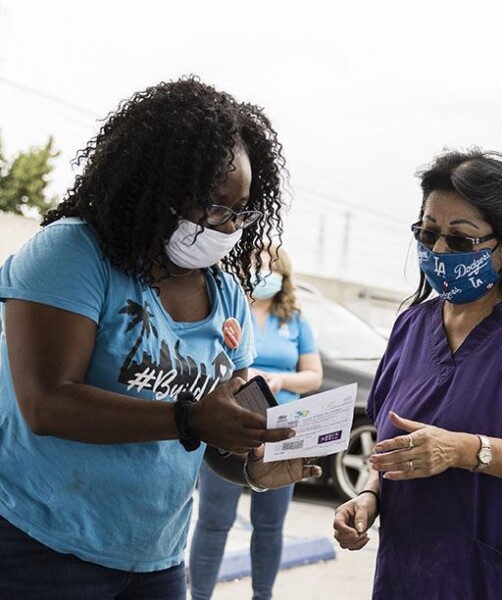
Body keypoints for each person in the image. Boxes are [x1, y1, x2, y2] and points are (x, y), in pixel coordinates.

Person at [0, 76, 322, 600]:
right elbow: (46, 403)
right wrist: (187, 418)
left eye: (242, 210)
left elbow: (217, 438)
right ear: (159, 190)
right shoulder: (72, 255)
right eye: (216, 207)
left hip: (156, 559)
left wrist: (255, 465)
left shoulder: (227, 295)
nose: (231, 225)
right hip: (41, 546)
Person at [333, 148, 502, 599]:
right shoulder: (411, 326)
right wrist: (369, 498)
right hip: (409, 574)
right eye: (428, 233)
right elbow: (392, 448)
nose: (439, 250)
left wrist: (465, 451)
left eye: (460, 240)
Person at [189, 245, 323, 600]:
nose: (263, 272)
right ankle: (199, 595)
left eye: (271, 266)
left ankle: (262, 595)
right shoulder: (231, 308)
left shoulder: (294, 319)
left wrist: (280, 381)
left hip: (283, 431)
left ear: (284, 275)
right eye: (256, 264)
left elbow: (313, 375)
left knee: (269, 524)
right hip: (230, 425)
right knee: (214, 521)